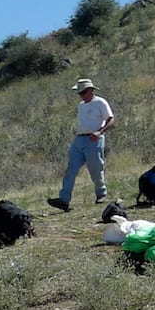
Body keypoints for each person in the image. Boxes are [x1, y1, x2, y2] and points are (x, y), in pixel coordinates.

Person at [47, 78, 114, 211]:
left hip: (94, 139)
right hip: (79, 139)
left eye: (83, 92)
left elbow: (111, 119)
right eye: (79, 93)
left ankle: (101, 193)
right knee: (71, 169)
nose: (81, 95)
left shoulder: (100, 102)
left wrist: (99, 132)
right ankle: (64, 200)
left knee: (95, 168)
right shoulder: (81, 105)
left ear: (91, 90)